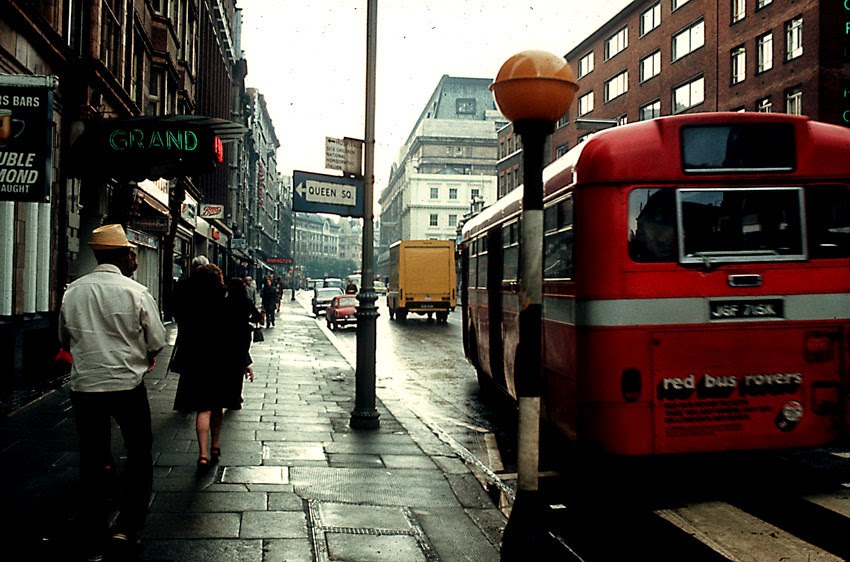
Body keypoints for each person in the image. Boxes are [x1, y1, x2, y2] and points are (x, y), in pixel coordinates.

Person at [58, 224, 166, 560]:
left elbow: (64, 338)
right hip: (126, 386)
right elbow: (157, 340)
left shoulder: (73, 291)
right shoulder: (135, 292)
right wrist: (142, 354)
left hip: (86, 385)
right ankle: (128, 526)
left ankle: (92, 522)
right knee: (138, 453)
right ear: (123, 254)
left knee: (92, 455)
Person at [172, 266, 257, 468]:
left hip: (197, 363)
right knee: (217, 407)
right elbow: (235, 335)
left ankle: (202, 453)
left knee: (203, 409)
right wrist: (245, 361)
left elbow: (184, 332)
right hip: (222, 362)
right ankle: (215, 445)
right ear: (219, 279)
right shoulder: (226, 301)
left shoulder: (190, 302)